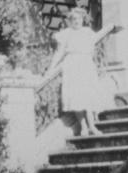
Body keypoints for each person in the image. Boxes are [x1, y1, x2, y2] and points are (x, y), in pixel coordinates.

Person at [47, 7, 114, 136]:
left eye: (78, 18)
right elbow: (59, 52)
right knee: (76, 98)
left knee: (87, 96)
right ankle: (83, 127)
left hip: (85, 65)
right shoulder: (66, 34)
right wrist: (51, 68)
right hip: (72, 65)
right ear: (69, 21)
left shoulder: (87, 32)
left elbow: (92, 50)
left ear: (83, 19)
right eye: (73, 19)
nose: (76, 21)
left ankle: (92, 127)